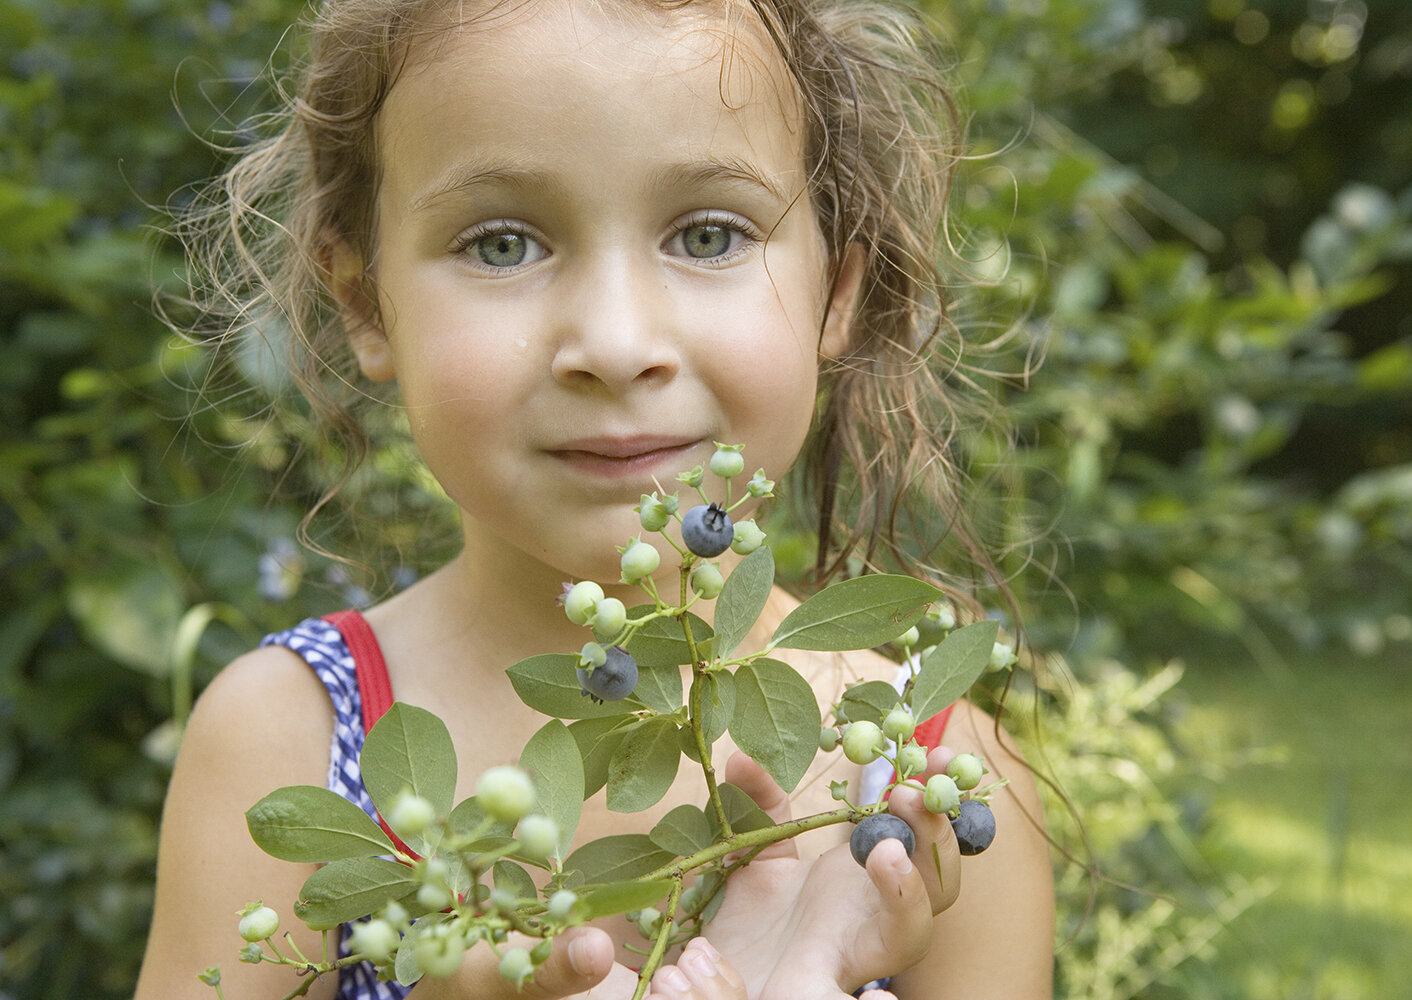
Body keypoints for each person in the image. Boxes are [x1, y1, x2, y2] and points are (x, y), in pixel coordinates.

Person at [136, 0, 1055, 997]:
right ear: (365, 300)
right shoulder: (289, 743)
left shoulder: (929, 787)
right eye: (501, 245)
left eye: (708, 233)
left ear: (837, 291)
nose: (617, 344)